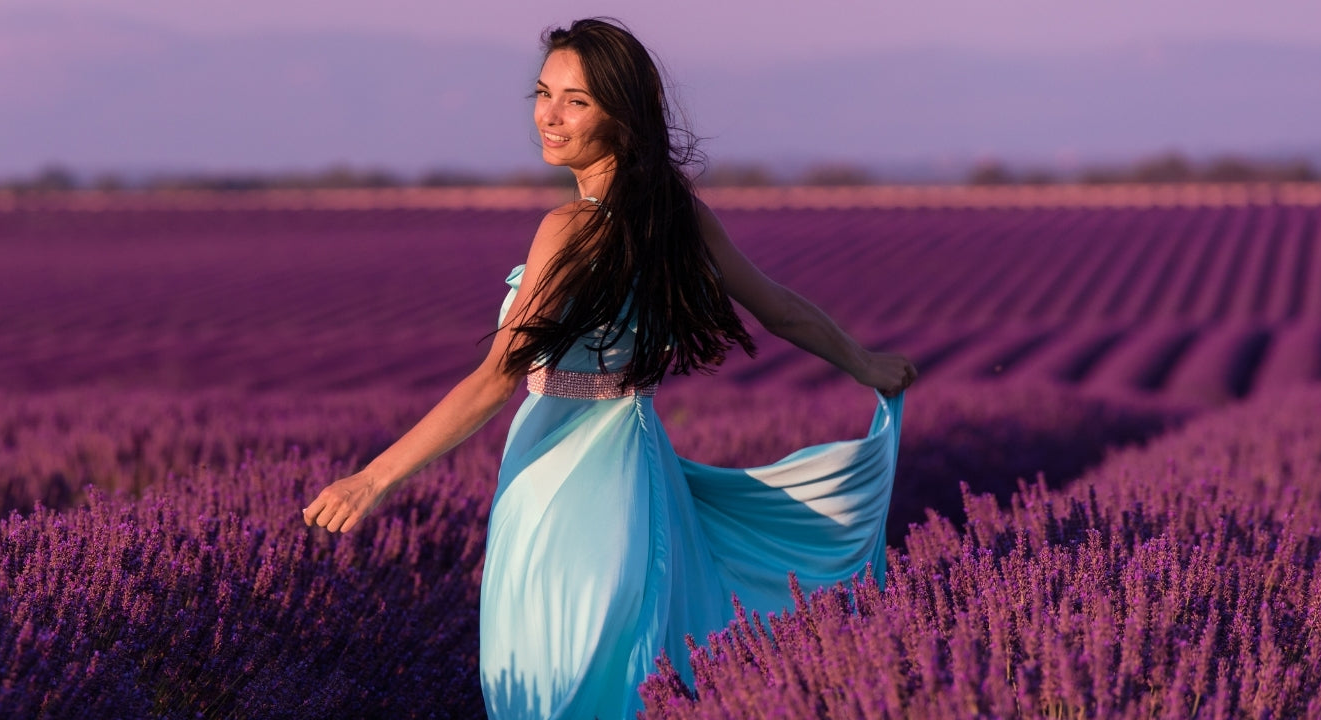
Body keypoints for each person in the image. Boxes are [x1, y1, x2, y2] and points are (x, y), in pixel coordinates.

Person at [302, 17, 916, 719]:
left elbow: (499, 377)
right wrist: (866, 363)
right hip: (638, 470)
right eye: (543, 93)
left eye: (577, 101)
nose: (550, 115)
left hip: (562, 487)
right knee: (627, 670)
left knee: (550, 679)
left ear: (622, 115)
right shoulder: (676, 216)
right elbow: (778, 310)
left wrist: (374, 479)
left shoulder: (571, 227)